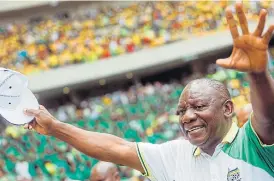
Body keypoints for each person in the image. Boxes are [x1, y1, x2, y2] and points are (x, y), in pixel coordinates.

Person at [24, 3, 274, 181]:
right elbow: (116, 148)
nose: (186, 117)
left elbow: (268, 118)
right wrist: (55, 127)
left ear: (227, 109)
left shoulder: (252, 145)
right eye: (182, 111)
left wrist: (258, 74)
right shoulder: (175, 156)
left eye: (198, 107)